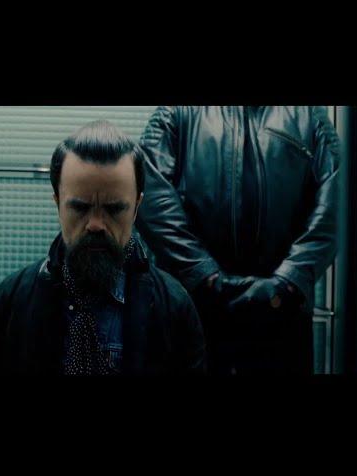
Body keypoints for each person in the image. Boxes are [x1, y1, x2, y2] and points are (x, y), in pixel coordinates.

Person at [0, 120, 206, 375]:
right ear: (57, 203)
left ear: (137, 207)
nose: (95, 225)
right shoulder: (11, 301)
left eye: (114, 209)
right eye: (80, 208)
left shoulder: (174, 308)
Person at [135, 106, 339, 374]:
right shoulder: (177, 112)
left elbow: (336, 203)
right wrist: (204, 275)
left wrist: (287, 282)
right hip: (195, 313)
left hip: (280, 319)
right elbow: (151, 197)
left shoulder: (308, 115)